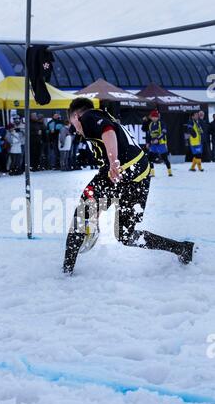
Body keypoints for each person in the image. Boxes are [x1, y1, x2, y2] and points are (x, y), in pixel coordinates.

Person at [63, 98, 195, 275]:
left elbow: (107, 131)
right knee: (125, 235)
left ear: (76, 115)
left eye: (71, 121)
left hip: (122, 170)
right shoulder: (103, 117)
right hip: (140, 174)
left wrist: (113, 162)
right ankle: (182, 249)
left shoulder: (88, 116)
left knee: (81, 214)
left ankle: (65, 271)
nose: (73, 127)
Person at [147, 110, 173, 177]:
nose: (154, 118)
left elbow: (164, 133)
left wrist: (157, 139)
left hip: (161, 144)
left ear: (158, 117)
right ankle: (152, 173)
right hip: (153, 144)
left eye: (155, 117)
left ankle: (169, 172)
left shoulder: (161, 123)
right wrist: (148, 142)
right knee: (150, 158)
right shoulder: (150, 124)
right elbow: (149, 135)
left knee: (165, 158)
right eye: (153, 117)